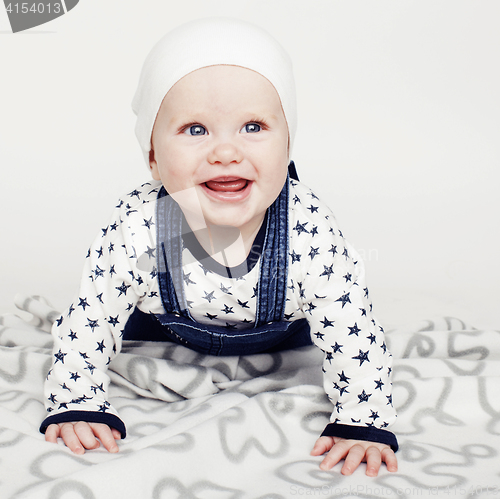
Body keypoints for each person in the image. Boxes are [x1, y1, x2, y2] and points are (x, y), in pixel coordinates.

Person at [40, 17, 398, 477]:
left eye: (253, 126)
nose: (225, 152)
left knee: (334, 323)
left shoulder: (308, 230)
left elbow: (353, 330)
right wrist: (77, 402)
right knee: (115, 315)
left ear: (288, 146)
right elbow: (90, 315)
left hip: (283, 331)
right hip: (165, 329)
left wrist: (362, 419)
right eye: (195, 130)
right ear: (152, 156)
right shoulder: (139, 226)